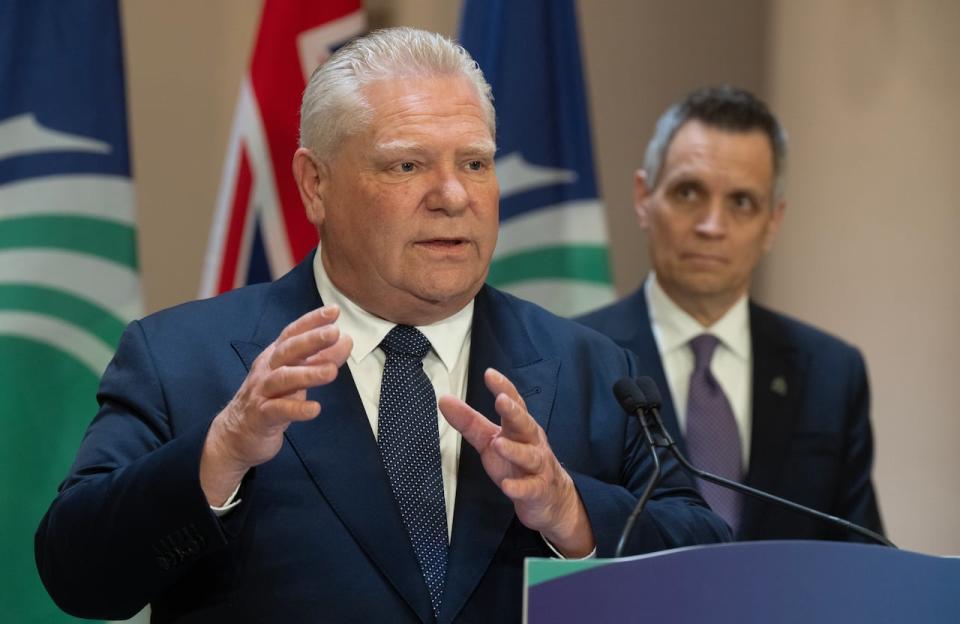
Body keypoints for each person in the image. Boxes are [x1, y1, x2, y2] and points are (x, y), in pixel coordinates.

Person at [35, 29, 729, 623]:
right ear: (316, 185)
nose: (453, 197)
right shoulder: (181, 360)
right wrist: (219, 455)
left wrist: (571, 513)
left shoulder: (592, 369)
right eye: (407, 164)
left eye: (475, 164)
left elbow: (710, 571)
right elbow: (77, 574)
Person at [577, 86, 883, 542]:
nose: (711, 226)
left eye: (741, 202)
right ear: (644, 197)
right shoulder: (578, 356)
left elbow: (864, 559)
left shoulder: (832, 374)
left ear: (772, 222)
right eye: (688, 192)